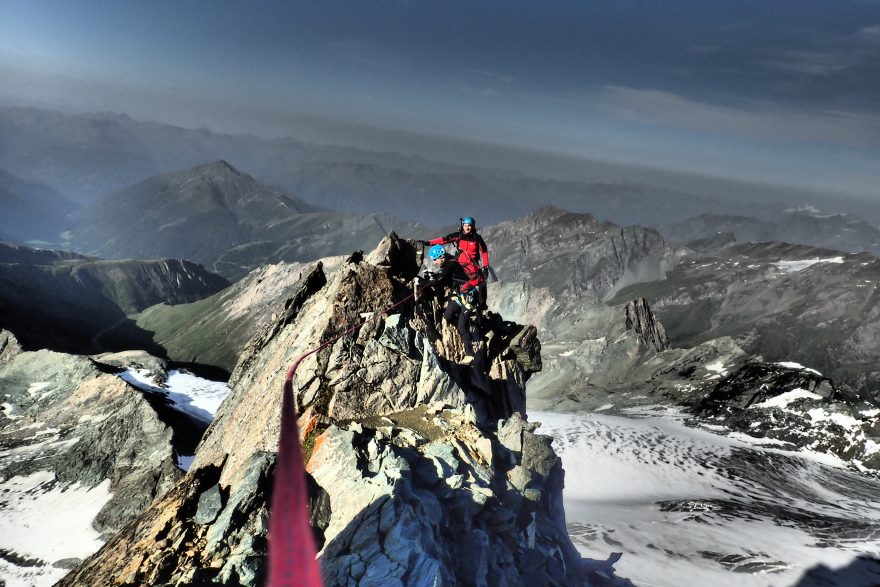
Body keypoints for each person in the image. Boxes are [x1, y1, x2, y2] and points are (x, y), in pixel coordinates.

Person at [426, 244, 484, 365]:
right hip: (461, 296)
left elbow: (441, 279)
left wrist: (424, 284)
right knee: (447, 316)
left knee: (462, 326)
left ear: (441, 257)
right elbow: (444, 277)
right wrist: (432, 277)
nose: (435, 263)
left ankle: (470, 354)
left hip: (469, 297)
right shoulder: (448, 264)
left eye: (435, 260)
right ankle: (464, 322)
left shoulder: (451, 264)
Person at [418, 216, 491, 308]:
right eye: (465, 225)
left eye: (469, 226)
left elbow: (484, 252)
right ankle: (465, 300)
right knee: (479, 281)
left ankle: (481, 304)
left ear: (473, 226)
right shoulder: (459, 236)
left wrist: (485, 266)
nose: (467, 228)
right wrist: (428, 243)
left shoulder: (477, 238)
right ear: (462, 225)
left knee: (482, 281)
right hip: (460, 264)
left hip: (471, 265)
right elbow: (444, 240)